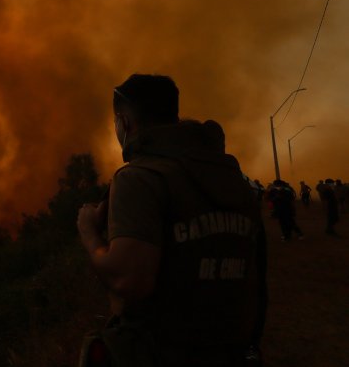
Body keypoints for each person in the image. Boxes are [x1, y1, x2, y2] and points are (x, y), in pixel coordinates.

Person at [77, 74, 265, 366]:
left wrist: (89, 232)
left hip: (161, 352)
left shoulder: (139, 178)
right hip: (229, 350)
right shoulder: (229, 178)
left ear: (124, 122)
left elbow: (129, 279)